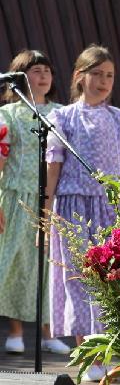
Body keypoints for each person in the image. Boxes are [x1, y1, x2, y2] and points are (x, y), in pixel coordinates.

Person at [45, 44, 120, 381]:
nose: (103, 81)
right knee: (79, 279)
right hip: (72, 203)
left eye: (109, 75)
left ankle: (111, 349)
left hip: (109, 206)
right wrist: (47, 205)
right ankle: (89, 354)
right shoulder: (63, 117)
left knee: (110, 278)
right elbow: (54, 165)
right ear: (79, 77)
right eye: (96, 74)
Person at [0, 50, 69, 355]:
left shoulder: (60, 113)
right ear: (19, 76)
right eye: (36, 70)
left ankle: (47, 332)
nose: (43, 76)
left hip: (49, 198)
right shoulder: (8, 114)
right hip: (16, 196)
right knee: (17, 265)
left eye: (47, 71)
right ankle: (15, 331)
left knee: (47, 266)